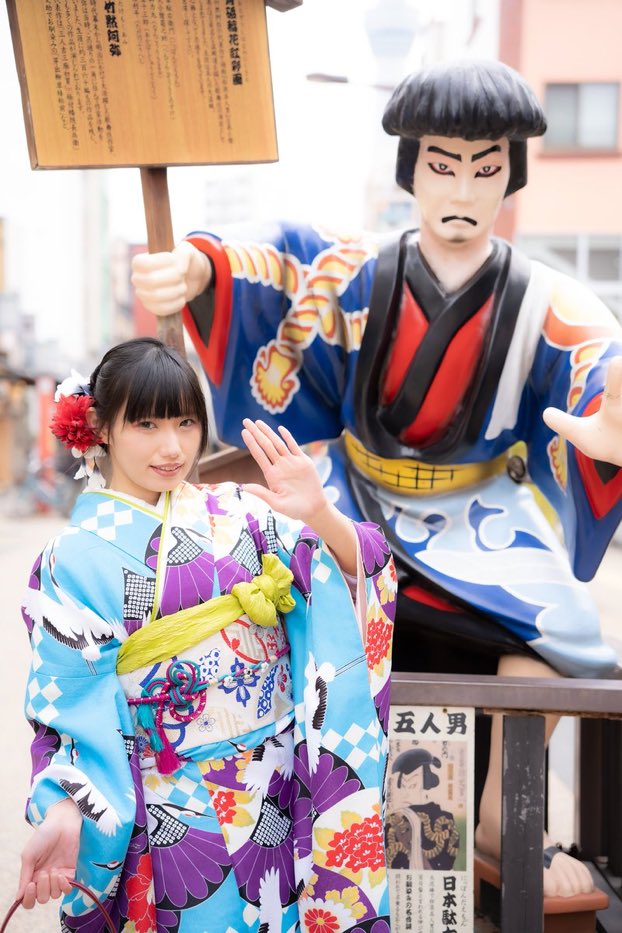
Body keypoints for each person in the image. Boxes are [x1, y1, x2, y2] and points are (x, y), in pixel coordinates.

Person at [131, 60, 622, 897]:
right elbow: (273, 263)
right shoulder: (350, 268)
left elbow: (597, 363)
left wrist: (609, 423)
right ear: (411, 169)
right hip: (350, 496)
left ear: (511, 172)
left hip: (480, 509)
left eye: (485, 167)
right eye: (442, 164)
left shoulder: (548, 298)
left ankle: (505, 820)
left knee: (561, 634)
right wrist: (202, 270)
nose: (462, 189)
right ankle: (320, 829)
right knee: (277, 619)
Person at [17, 337, 396, 931]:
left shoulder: (243, 513)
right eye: (146, 424)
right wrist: (66, 808)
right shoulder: (71, 560)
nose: (172, 447)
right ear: (100, 427)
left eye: (185, 423)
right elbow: (68, 704)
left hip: (275, 791)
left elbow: (359, 573)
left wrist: (320, 515)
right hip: (168, 805)